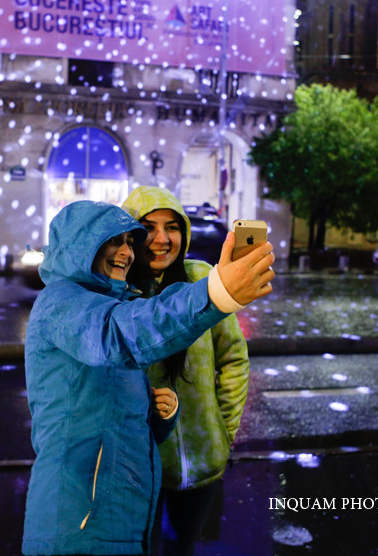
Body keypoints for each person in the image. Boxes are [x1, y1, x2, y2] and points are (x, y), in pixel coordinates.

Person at [22, 200, 274, 556]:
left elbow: (110, 423)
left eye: (128, 242)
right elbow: (119, 335)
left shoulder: (112, 303)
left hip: (119, 514)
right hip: (78, 521)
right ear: (81, 245)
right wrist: (217, 293)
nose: (125, 252)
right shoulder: (61, 302)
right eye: (112, 241)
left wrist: (158, 417)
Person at [123, 187, 249, 556]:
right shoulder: (118, 292)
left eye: (172, 227)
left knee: (183, 549)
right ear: (129, 233)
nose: (162, 239)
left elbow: (233, 359)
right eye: (148, 227)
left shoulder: (202, 278)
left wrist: (223, 430)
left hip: (202, 464)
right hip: (139, 467)